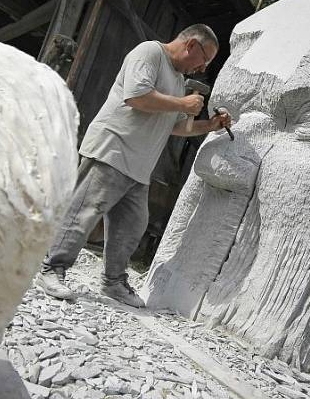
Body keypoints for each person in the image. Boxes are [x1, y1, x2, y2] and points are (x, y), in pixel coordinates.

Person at [35, 24, 232, 307]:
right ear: (191, 45)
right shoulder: (150, 52)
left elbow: (175, 128)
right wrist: (182, 102)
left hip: (138, 167)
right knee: (83, 213)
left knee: (132, 226)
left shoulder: (177, 80)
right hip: (112, 150)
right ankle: (52, 268)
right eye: (205, 59)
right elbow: (136, 96)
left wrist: (210, 125)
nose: (202, 67)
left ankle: (113, 282)